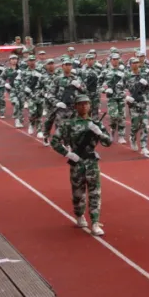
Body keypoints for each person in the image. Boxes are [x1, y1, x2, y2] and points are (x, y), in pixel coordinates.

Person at [50, 95, 112, 236]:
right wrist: (68, 154)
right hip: (77, 163)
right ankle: (79, 215)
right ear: (76, 106)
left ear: (90, 106)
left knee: (95, 193)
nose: (84, 106)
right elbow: (54, 141)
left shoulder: (96, 123)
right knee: (78, 194)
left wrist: (99, 133)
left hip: (92, 162)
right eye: (81, 104)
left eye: (86, 104)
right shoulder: (68, 124)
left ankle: (95, 222)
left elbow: (108, 143)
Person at [124, 58, 149, 155]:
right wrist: (126, 97)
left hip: (144, 103)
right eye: (134, 63)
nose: (136, 64)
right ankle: (132, 137)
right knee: (135, 125)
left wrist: (148, 84)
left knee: (145, 124)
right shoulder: (127, 76)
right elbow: (119, 88)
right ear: (130, 65)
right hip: (133, 104)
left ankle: (144, 146)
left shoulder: (144, 75)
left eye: (137, 62)